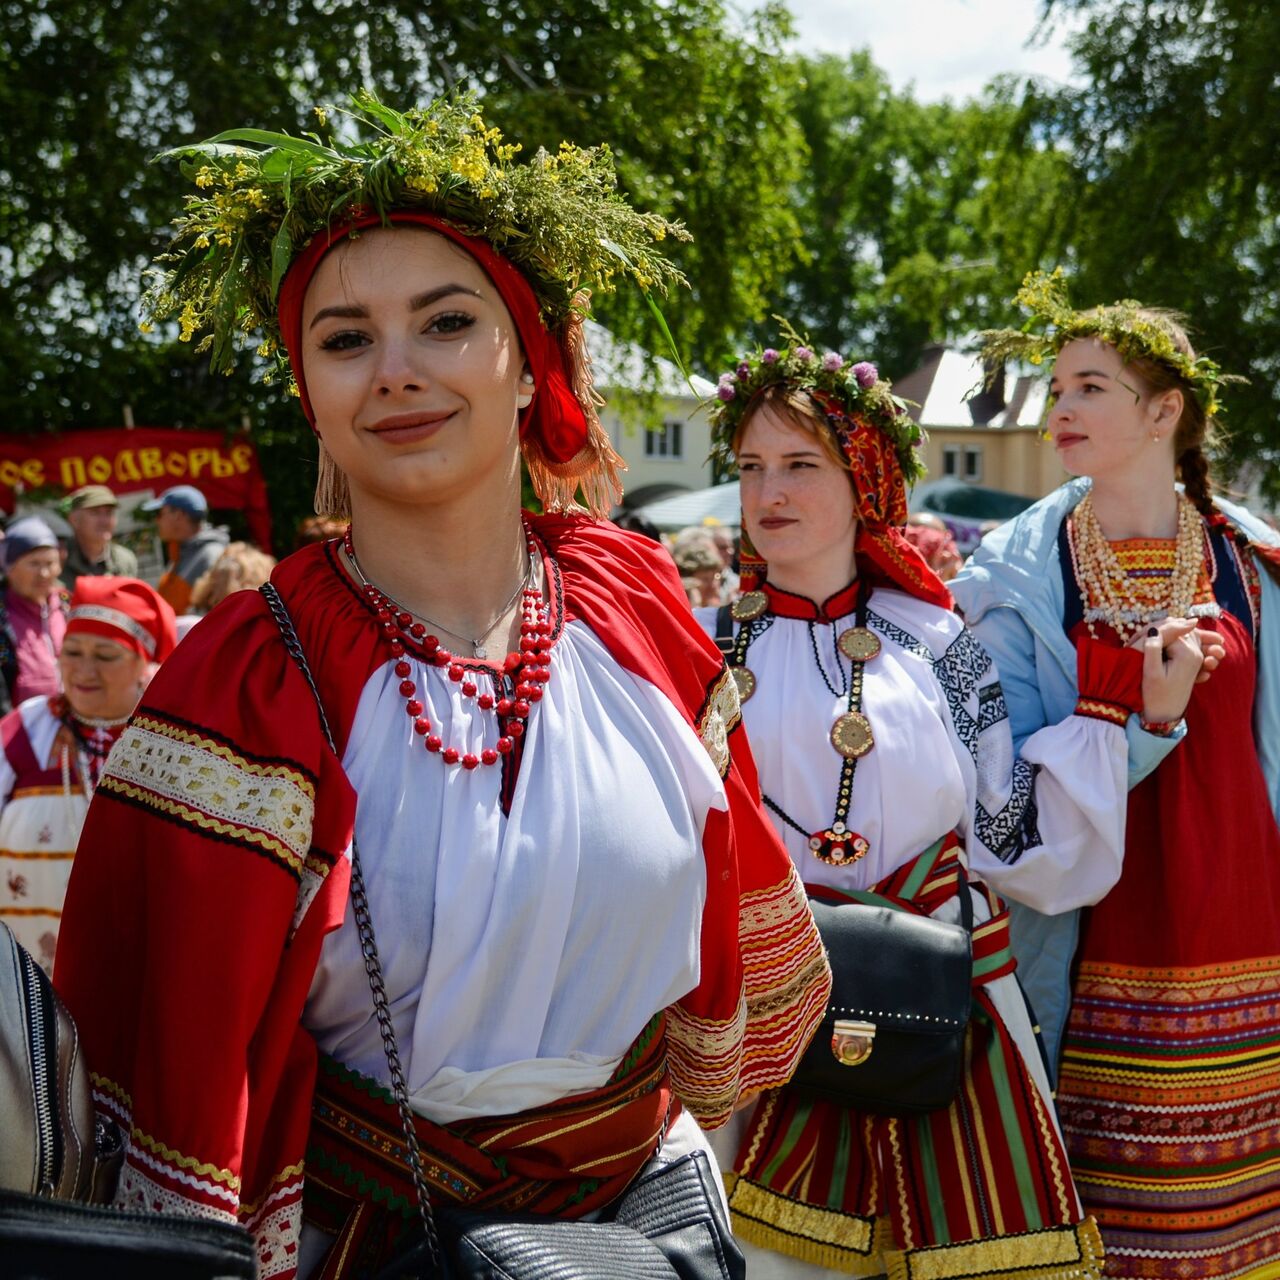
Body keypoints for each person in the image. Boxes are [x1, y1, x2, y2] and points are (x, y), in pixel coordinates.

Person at [54, 92, 830, 1279]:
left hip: (651, 1228)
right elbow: (168, 1050)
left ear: (529, 366)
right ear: (307, 390)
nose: (397, 371)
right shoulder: (245, 672)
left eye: (447, 321)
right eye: (346, 337)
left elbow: (727, 955)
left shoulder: (632, 608)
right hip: (373, 1242)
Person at [696, 332, 1209, 1280]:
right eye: (752, 466)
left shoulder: (939, 641)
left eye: (801, 465)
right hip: (761, 1007)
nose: (770, 494)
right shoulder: (699, 645)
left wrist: (1122, 716)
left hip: (941, 994)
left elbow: (1010, 829)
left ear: (864, 484)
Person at [952, 269, 1280, 1280]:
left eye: (1088, 385)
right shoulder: (1014, 572)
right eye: (1056, 388)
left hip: (1243, 929)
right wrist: (1147, 719)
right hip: (1082, 936)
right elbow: (992, 790)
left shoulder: (1249, 561)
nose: (1058, 408)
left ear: (1161, 411)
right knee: (1097, 1224)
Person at [0, 577, 175, 974]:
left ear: (141, 662)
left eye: (105, 655)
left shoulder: (171, 734)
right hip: (35, 965)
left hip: (143, 958)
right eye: (72, 651)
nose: (83, 670)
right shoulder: (26, 731)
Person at [0, 516, 69, 715]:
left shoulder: (69, 605)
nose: (45, 573)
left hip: (76, 729)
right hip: (21, 733)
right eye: (34, 564)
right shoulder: (3, 618)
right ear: (10, 568)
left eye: (50, 563)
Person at [142, 483, 230, 613]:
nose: (157, 521)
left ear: (178, 515)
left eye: (160, 514)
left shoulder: (212, 555)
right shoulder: (178, 553)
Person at [61, 484, 140, 584]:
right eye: (95, 513)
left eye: (109, 513)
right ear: (74, 520)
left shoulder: (125, 560)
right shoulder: (59, 561)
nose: (104, 521)